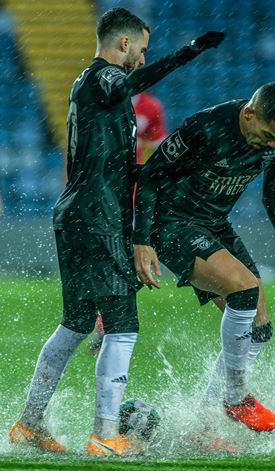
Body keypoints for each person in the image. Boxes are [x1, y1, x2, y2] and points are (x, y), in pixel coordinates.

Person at [7, 7, 225, 457]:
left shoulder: (102, 90)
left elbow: (120, 165)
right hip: (95, 217)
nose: (144, 59)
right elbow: (127, 84)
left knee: (76, 323)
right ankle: (105, 436)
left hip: (84, 214)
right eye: (142, 50)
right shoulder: (100, 78)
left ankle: (29, 424)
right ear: (123, 43)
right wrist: (186, 53)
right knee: (122, 326)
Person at [133, 83, 275, 434]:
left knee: (259, 328)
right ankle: (235, 398)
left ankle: (201, 426)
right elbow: (150, 177)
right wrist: (141, 240)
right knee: (244, 291)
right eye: (270, 134)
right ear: (249, 114)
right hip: (170, 222)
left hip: (213, 223)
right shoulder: (205, 126)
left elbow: (274, 192)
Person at [88, 90, 169, 354]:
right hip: (100, 192)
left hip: (132, 196)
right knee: (103, 256)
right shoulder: (100, 97)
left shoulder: (149, 106)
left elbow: (160, 152)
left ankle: (107, 322)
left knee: (123, 256)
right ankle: (104, 320)